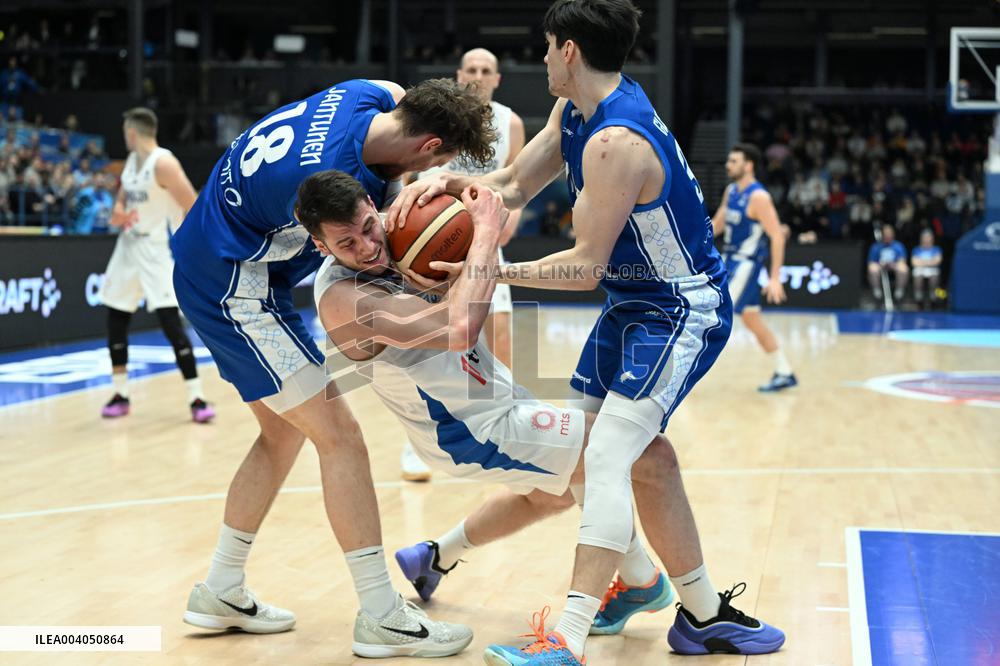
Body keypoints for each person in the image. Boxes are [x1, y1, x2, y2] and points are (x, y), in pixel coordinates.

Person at [387, 0, 784, 660]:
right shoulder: (576, 112)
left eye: (546, 48)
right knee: (598, 458)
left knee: (603, 458)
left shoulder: (614, 143)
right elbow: (511, 184)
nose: (541, 59)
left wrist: (487, 268)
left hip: (678, 309)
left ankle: (567, 641)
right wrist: (451, 188)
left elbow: (582, 268)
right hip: (631, 303)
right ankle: (697, 609)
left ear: (569, 51)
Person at [170, 78, 496, 657]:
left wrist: (410, 185)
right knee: (341, 438)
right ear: (429, 146)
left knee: (282, 435)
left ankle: (221, 587)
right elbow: (365, 252)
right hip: (231, 286)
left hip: (228, 260)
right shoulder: (321, 184)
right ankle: (380, 615)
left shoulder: (367, 95)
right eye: (440, 160)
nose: (436, 173)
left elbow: (391, 91)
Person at [299, 167, 680, 649]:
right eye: (347, 243)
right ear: (321, 247)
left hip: (491, 399)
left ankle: (435, 556)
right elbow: (458, 328)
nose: (368, 247)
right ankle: (637, 587)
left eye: (368, 229)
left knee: (556, 492)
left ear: (374, 210)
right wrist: (484, 229)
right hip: (468, 429)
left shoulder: (397, 230)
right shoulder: (344, 300)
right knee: (634, 452)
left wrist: (443, 184)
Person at [400, 47, 527, 482]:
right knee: (431, 341)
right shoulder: (439, 118)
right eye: (470, 69)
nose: (477, 75)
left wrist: (508, 223)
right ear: (459, 76)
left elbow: (518, 184)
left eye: (485, 70)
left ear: (497, 79)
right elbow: (407, 174)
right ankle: (418, 441)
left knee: (501, 339)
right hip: (431, 243)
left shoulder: (510, 123)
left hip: (484, 241)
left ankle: (500, 431)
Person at [98, 107, 214, 422]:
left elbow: (192, 203)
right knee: (116, 318)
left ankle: (197, 398)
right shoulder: (132, 163)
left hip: (156, 248)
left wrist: (194, 249)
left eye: (125, 133)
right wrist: (119, 211)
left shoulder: (163, 163)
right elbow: (121, 199)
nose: (124, 137)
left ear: (132, 133)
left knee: (170, 323)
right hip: (127, 247)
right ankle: (120, 393)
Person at [711, 143, 797, 392]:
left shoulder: (759, 197)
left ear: (748, 165)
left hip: (744, 265)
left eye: (734, 161)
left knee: (709, 314)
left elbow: (778, 236)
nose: (728, 165)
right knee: (751, 319)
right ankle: (784, 371)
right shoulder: (731, 191)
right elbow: (719, 222)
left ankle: (677, 375)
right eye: (729, 161)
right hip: (729, 260)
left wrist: (775, 278)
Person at [867, 223, 908, 302]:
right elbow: (871, 262)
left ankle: (899, 292)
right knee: (872, 268)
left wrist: (893, 264)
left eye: (889, 233)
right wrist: (880, 264)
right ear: (882, 234)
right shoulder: (876, 246)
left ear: (893, 234)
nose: (888, 235)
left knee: (903, 268)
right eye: (886, 233)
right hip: (880, 265)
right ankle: (877, 292)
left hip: (894, 265)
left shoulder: (898, 246)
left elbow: (902, 260)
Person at [910, 228, 942, 308]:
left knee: (934, 276)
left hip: (933, 270)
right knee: (917, 274)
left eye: (928, 237)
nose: (926, 239)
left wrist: (922, 262)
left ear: (932, 238)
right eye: (925, 237)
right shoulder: (916, 249)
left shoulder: (936, 249)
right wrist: (929, 262)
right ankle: (919, 298)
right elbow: (914, 262)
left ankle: (933, 297)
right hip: (920, 269)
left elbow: (937, 261)